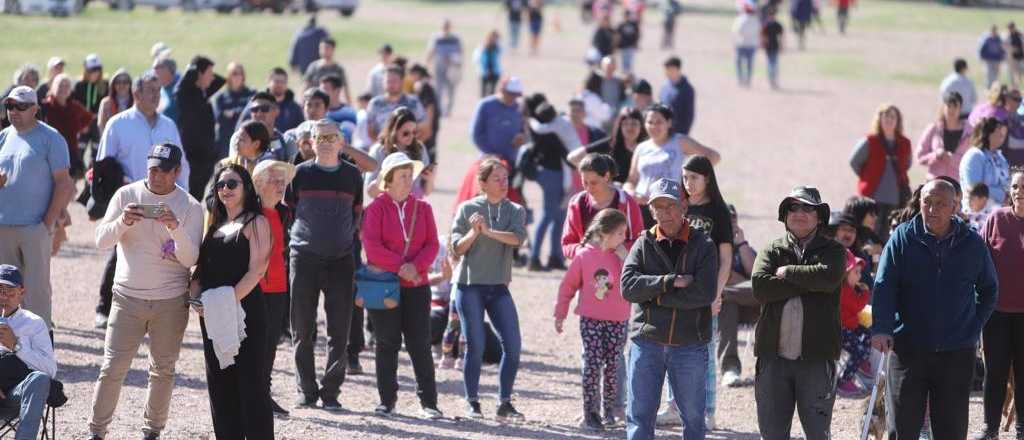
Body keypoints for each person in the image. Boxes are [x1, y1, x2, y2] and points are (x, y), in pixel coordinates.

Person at [89, 143, 203, 440]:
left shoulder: (191, 206)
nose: (157, 176)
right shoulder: (126, 195)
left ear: (177, 172)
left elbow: (191, 259)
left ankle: (152, 431)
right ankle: (96, 432)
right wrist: (123, 222)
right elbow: (101, 240)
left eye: (165, 171)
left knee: (162, 369)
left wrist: (174, 228)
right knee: (112, 367)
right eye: (153, 168)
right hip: (127, 296)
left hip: (170, 301)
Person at [871, 179, 998, 439]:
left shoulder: (972, 243)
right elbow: (884, 285)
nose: (932, 209)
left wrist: (972, 327)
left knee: (950, 430)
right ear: (919, 203)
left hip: (956, 352)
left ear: (955, 207)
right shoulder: (903, 238)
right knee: (903, 428)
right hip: (908, 349)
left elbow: (989, 289)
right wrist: (883, 327)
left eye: (940, 204)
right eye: (927, 202)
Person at [620, 178, 716, 440]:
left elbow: (703, 293)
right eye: (658, 207)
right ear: (651, 211)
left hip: (690, 345)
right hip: (646, 342)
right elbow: (627, 287)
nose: (665, 213)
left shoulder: (704, 245)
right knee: (639, 416)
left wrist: (653, 297)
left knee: (694, 418)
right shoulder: (643, 243)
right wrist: (669, 282)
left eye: (670, 206)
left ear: (683, 206)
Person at [750, 185, 845, 440]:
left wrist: (788, 272)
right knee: (772, 434)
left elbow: (829, 277)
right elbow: (760, 287)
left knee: (817, 434)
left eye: (807, 208)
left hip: (816, 359)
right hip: (773, 360)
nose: (799, 213)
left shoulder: (834, 251)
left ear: (819, 217)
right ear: (785, 214)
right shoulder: (771, 250)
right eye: (793, 207)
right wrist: (809, 283)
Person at [189, 164, 274, 439]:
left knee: (252, 385)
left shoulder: (256, 222)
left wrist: (224, 303)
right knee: (220, 386)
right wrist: (195, 299)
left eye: (232, 183)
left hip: (246, 312)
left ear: (246, 188)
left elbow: (257, 270)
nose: (225, 189)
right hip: (212, 315)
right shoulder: (213, 226)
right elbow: (201, 272)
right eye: (220, 184)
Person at [286, 119, 363, 410]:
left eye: (333, 136)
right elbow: (290, 211)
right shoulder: (300, 173)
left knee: (339, 331)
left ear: (342, 141)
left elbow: (357, 213)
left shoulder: (353, 176)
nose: (327, 141)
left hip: (341, 259)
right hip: (304, 258)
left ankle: (331, 392)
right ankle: (306, 390)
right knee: (302, 328)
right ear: (312, 141)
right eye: (321, 137)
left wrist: (338, 238)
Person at [360, 152, 442, 418]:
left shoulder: (424, 208)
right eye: (402, 176)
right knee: (386, 343)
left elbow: (432, 245)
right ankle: (387, 401)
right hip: (384, 285)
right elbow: (372, 247)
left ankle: (429, 403)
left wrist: (414, 267)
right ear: (388, 180)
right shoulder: (374, 209)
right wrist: (401, 267)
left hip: (417, 285)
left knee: (420, 343)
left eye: (410, 176)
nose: (408, 181)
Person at [450, 157, 528, 421]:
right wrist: (474, 232)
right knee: (476, 346)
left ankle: (504, 402)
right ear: (482, 183)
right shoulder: (467, 209)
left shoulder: (516, 210)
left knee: (514, 346)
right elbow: (457, 248)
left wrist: (488, 231)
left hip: (498, 287)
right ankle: (472, 401)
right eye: (497, 178)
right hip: (468, 286)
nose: (504, 183)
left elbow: (517, 239)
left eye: (506, 178)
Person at [0, 87, 73, 329]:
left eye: (21, 106)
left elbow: (64, 184)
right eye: (10, 106)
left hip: (35, 227)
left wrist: (47, 224)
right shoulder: (3, 137)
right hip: (3, 227)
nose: (14, 112)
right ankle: (9, 351)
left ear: (35, 109)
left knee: (36, 293)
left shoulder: (51, 138)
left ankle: (39, 352)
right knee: (5, 292)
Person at [555, 208, 631, 431]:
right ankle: (591, 413)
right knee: (592, 364)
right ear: (604, 233)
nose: (623, 238)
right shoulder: (584, 256)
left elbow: (633, 282)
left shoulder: (623, 256)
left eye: (625, 233)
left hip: (619, 320)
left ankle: (609, 411)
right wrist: (560, 313)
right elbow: (567, 287)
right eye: (619, 233)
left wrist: (625, 259)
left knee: (613, 367)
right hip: (591, 320)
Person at [978, 168, 1024, 438]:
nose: (1020, 192)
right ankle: (990, 427)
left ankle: (1022, 428)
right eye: (1016, 187)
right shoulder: (996, 219)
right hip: (996, 313)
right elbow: (980, 261)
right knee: (994, 373)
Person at [624, 104, 720, 228]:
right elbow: (631, 180)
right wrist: (631, 192)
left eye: (659, 122)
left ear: (669, 123)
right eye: (650, 122)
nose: (654, 126)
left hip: (670, 207)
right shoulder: (641, 148)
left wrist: (693, 180)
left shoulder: (679, 142)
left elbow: (714, 156)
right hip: (642, 207)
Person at [251, 160, 295, 416]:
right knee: (253, 344)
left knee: (270, 344)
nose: (280, 187)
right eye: (274, 181)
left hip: (278, 286)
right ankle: (250, 396)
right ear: (258, 183)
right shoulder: (248, 212)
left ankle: (263, 395)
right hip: (253, 287)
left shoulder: (283, 212)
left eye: (283, 182)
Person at [0, 264, 57, 440]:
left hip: (16, 394)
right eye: (0, 290)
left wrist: (16, 346)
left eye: (10, 292)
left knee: (39, 379)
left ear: (21, 293)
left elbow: (50, 370)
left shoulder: (34, 324)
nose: (4, 297)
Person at [849, 104, 912, 243]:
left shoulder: (905, 143)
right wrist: (867, 177)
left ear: (898, 121)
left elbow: (907, 164)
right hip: (872, 197)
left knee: (889, 235)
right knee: (867, 233)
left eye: (892, 117)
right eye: (886, 116)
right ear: (879, 119)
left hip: (895, 199)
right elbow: (854, 162)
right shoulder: (869, 141)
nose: (889, 120)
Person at [562, 153, 643, 258]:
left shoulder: (626, 202)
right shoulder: (576, 203)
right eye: (585, 182)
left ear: (606, 176)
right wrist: (580, 251)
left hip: (619, 269)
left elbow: (639, 240)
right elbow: (567, 242)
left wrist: (620, 250)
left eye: (594, 183)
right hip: (587, 267)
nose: (589, 188)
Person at [717, 204, 758, 387]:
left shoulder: (745, 248)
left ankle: (773, 366)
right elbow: (723, 277)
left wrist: (741, 243)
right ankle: (730, 368)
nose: (730, 222)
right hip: (724, 311)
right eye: (726, 218)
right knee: (729, 304)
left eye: (733, 218)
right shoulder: (713, 247)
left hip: (751, 304)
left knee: (766, 290)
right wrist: (743, 282)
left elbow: (756, 277)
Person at [175, 55, 226, 201]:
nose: (212, 78)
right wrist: (193, 69)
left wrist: (203, 72)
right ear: (198, 74)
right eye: (209, 73)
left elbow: (220, 81)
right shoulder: (185, 94)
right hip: (193, 157)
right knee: (190, 197)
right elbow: (180, 88)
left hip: (205, 157)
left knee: (197, 198)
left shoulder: (201, 93)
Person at [365, 107, 435, 199]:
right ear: (393, 130)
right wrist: (387, 178)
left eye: (414, 132)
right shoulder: (379, 150)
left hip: (413, 207)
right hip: (387, 206)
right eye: (406, 133)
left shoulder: (420, 149)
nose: (411, 136)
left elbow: (427, 191)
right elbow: (370, 193)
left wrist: (430, 180)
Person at [40, 73, 94, 180]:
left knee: (68, 189)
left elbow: (88, 117)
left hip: (70, 152)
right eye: (60, 85)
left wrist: (79, 128)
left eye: (67, 86)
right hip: (49, 154)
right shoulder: (45, 106)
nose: (63, 89)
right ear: (53, 87)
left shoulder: (74, 106)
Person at [836, 250, 871, 398]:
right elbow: (857, 306)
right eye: (856, 272)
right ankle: (844, 381)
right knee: (859, 349)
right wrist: (865, 293)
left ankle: (861, 361)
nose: (859, 276)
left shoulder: (849, 289)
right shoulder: (844, 291)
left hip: (849, 326)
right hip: (840, 330)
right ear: (846, 273)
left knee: (869, 334)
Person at [916, 91, 972, 182]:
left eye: (955, 106)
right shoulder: (933, 129)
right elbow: (919, 157)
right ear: (943, 107)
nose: (952, 110)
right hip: (934, 184)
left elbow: (972, 161)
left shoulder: (970, 132)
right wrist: (936, 155)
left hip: (958, 185)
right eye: (949, 106)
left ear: (960, 108)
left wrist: (953, 159)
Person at [469, 77, 525, 166]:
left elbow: (524, 132)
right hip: (488, 162)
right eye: (511, 94)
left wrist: (522, 138)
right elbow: (475, 134)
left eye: (516, 95)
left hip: (511, 162)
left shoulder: (520, 108)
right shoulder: (485, 105)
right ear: (502, 90)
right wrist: (491, 153)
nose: (513, 98)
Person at [960, 116, 1010, 210]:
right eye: (998, 129)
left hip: (999, 211)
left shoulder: (1000, 157)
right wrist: (1003, 195)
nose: (1002, 133)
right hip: (977, 214)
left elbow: (1008, 183)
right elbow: (974, 188)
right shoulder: (974, 156)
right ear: (989, 134)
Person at [366, 66, 426, 142]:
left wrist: (411, 147)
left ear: (401, 82)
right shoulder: (375, 104)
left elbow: (424, 130)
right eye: (388, 81)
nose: (391, 84)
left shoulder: (413, 102)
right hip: (383, 150)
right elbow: (370, 131)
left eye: (394, 81)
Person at [211, 62, 255, 160]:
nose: (238, 76)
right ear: (229, 76)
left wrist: (232, 113)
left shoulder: (251, 94)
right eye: (234, 73)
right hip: (225, 144)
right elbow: (219, 118)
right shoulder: (220, 98)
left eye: (240, 73)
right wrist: (240, 112)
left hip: (247, 143)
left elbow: (250, 115)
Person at [426, 19, 463, 117]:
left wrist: (459, 65)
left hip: (452, 67)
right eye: (444, 26)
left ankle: (449, 110)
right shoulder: (436, 38)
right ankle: (440, 110)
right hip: (439, 66)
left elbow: (460, 52)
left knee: (451, 89)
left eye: (447, 26)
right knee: (439, 89)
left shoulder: (455, 38)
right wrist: (428, 65)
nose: (446, 28)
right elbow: (431, 51)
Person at [71, 54, 108, 151]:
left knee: (97, 152)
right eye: (91, 70)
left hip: (98, 123)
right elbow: (74, 105)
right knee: (79, 150)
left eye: (97, 69)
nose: (95, 73)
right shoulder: (79, 85)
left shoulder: (105, 85)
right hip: (82, 123)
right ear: (85, 70)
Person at [303, 38, 351, 105]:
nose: (323, 51)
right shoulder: (313, 67)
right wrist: (303, 102)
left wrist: (350, 105)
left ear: (333, 49)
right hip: (315, 103)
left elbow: (346, 89)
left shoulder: (338, 69)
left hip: (332, 104)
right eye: (321, 48)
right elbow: (306, 86)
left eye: (326, 48)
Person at [409, 65, 441, 163]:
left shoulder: (423, 86)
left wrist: (427, 130)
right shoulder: (427, 85)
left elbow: (429, 108)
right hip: (427, 131)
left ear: (417, 74)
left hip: (426, 133)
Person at [659, 57, 695, 136]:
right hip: (663, 132)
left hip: (679, 133)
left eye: (669, 69)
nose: (666, 72)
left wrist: (682, 135)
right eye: (666, 70)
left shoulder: (687, 89)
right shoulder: (664, 86)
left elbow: (689, 115)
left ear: (677, 69)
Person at [266, 68, 304, 133]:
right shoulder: (258, 105)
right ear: (268, 82)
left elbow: (302, 129)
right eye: (276, 81)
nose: (280, 85)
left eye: (283, 82)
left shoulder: (295, 108)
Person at [96, 70, 133, 137]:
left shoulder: (136, 103)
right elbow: (101, 125)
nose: (121, 85)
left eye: (125, 82)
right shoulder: (106, 103)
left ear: (130, 85)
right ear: (113, 85)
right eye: (118, 82)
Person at [732, 3, 760, 88]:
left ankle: (740, 79)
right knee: (749, 64)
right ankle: (748, 80)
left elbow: (735, 31)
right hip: (752, 44)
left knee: (738, 63)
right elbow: (758, 32)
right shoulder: (756, 20)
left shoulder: (740, 19)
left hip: (741, 44)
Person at [474, 31, 503, 98]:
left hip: (495, 72)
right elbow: (477, 59)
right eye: (493, 38)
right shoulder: (482, 48)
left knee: (492, 92)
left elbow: (500, 59)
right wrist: (483, 68)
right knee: (483, 92)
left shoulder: (498, 48)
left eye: (496, 38)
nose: (494, 40)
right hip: (484, 73)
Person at [761, 6, 784, 89]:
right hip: (775, 46)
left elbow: (763, 37)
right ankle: (773, 81)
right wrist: (782, 46)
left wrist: (763, 44)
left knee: (770, 64)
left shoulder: (766, 24)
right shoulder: (778, 24)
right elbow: (781, 37)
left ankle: (771, 80)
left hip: (769, 46)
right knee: (774, 64)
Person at [152, 56, 180, 124]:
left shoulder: (180, 90)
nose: (153, 71)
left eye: (156, 67)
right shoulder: (158, 89)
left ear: (168, 70)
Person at [617, 10, 640, 74]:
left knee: (630, 62)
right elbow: (617, 36)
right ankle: (624, 74)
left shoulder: (633, 24)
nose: (626, 17)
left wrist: (636, 43)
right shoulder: (621, 25)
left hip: (631, 46)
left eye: (627, 15)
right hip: (623, 46)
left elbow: (637, 34)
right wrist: (616, 45)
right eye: (625, 16)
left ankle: (629, 74)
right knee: (624, 62)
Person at [1009, 22, 1024, 89]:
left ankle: (1018, 85)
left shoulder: (1019, 34)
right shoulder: (1009, 36)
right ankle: (1015, 86)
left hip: (1020, 57)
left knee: (1020, 72)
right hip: (1013, 58)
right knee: (1014, 73)